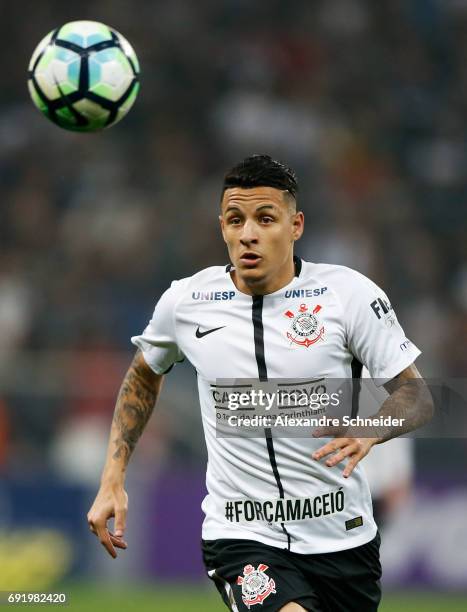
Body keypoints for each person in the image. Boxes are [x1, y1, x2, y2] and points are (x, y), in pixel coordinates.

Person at [88, 155, 433, 611]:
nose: (248, 233)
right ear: (223, 228)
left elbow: (416, 395)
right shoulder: (187, 302)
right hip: (241, 537)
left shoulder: (348, 297)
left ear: (296, 226)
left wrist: (370, 429)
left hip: (343, 541)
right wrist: (113, 476)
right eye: (236, 220)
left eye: (265, 218)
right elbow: (143, 374)